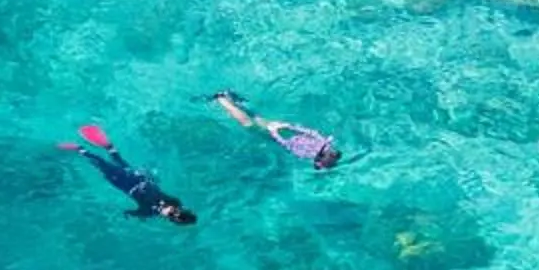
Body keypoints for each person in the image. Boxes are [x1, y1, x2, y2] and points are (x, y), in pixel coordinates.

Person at [64, 125, 196, 223]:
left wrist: (131, 215)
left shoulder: (150, 211)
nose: (168, 211)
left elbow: (132, 212)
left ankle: (109, 147)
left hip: (137, 179)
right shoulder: (158, 207)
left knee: (119, 163)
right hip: (129, 181)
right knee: (102, 165)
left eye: (170, 215)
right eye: (173, 210)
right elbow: (142, 207)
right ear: (178, 208)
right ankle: (81, 149)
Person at [209, 90, 342, 171]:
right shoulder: (311, 152)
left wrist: (287, 126)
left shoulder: (323, 144)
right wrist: (276, 132)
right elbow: (288, 145)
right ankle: (221, 99)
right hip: (278, 135)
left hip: (283, 131)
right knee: (248, 124)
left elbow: (308, 132)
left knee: (256, 118)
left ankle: (231, 98)